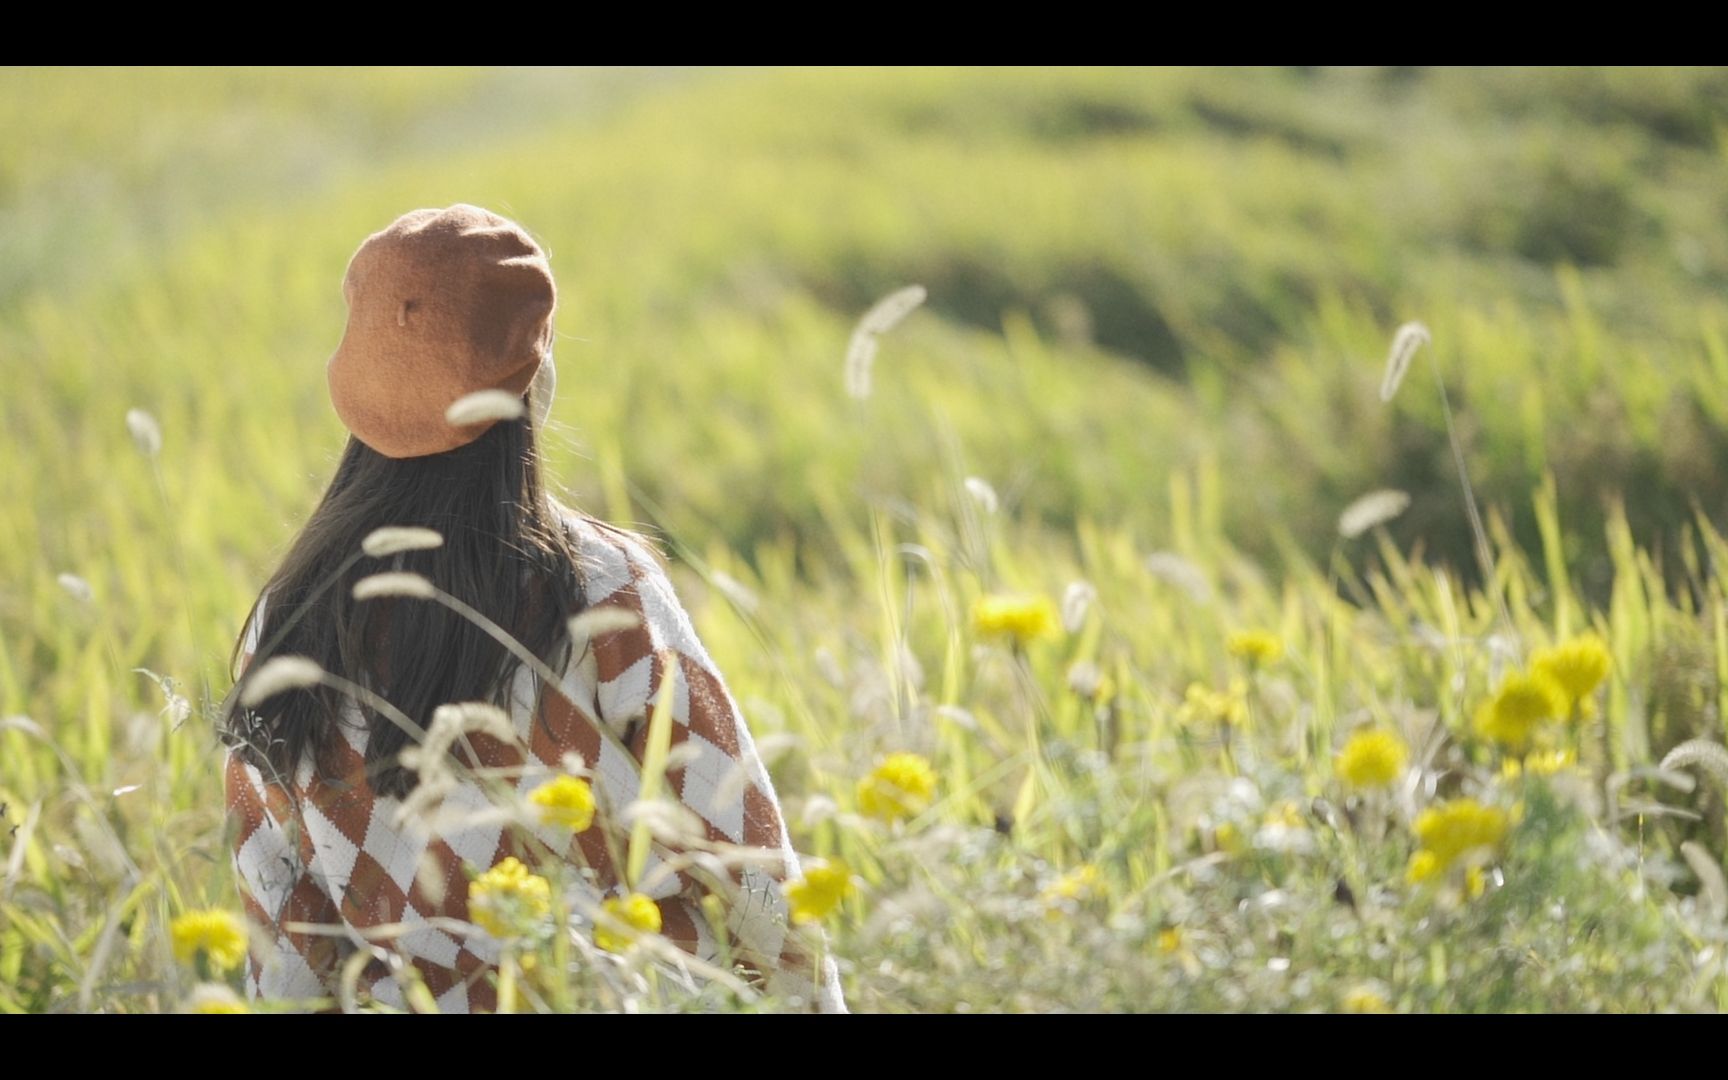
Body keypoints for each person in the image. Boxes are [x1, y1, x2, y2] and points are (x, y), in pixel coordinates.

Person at [220, 204, 845, 1013]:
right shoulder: (601, 586)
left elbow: (278, 910)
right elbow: (740, 844)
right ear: (533, 385)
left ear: (354, 394)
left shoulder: (288, 621)